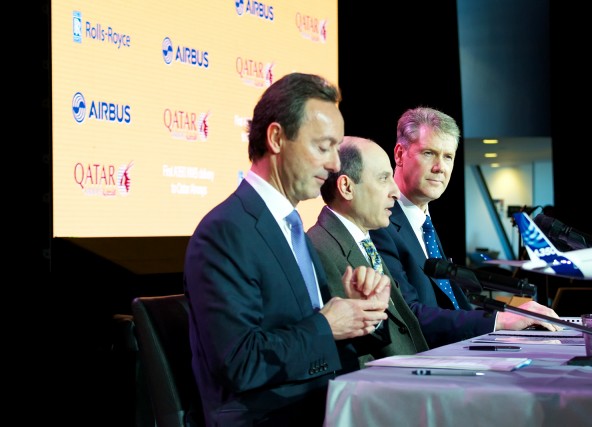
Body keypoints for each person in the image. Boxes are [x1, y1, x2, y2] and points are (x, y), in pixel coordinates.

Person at [183, 72, 391, 427]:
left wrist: (357, 313)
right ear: (277, 138)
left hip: (323, 403)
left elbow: (309, 336)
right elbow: (241, 363)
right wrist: (327, 325)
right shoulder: (225, 232)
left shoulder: (291, 226)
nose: (335, 164)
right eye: (323, 147)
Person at [370, 106, 562, 348]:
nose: (440, 167)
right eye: (429, 153)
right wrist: (500, 320)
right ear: (399, 154)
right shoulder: (379, 223)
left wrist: (511, 318)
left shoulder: (423, 221)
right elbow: (409, 315)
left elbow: (450, 303)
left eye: (448, 156)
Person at [307, 136, 429, 367]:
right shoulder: (320, 249)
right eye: (384, 178)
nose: (395, 192)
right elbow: (351, 349)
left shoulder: (365, 241)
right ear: (346, 187)